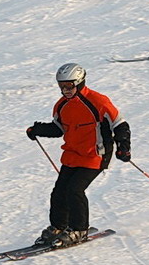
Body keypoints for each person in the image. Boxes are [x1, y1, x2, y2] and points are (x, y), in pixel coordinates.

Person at [26, 63, 131, 247]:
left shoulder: (98, 102)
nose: (65, 90)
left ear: (80, 82)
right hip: (73, 156)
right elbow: (58, 129)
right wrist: (37, 129)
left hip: (96, 155)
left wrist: (124, 147)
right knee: (59, 192)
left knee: (75, 190)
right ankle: (58, 227)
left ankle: (79, 229)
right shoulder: (61, 105)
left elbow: (120, 125)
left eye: (69, 86)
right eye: (62, 86)